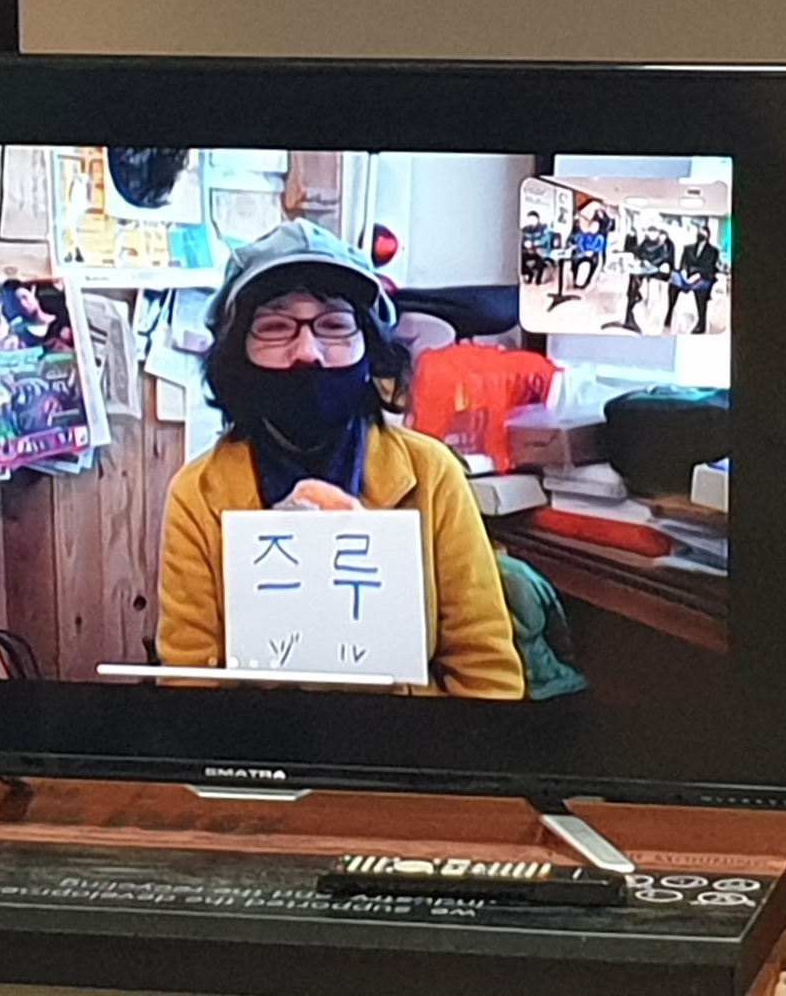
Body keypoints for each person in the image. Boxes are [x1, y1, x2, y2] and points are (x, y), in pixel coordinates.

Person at [155, 218, 526, 699]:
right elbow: (189, 687)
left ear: (369, 348)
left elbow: (488, 679)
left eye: (334, 325)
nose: (307, 352)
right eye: (274, 326)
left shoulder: (433, 475)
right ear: (238, 356)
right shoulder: (197, 496)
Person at [666, 224, 722, 334]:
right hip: (687, 275)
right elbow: (683, 263)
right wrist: (684, 272)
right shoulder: (688, 248)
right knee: (673, 283)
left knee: (701, 291)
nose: (700, 234)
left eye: (703, 233)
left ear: (708, 235)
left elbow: (709, 267)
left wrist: (697, 276)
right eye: (699, 232)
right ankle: (669, 313)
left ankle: (701, 323)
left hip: (702, 277)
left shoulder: (713, 251)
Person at [567, 215, 606, 289]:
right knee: (575, 260)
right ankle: (574, 279)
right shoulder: (583, 235)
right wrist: (584, 251)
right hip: (582, 253)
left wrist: (592, 251)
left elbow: (600, 247)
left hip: (593, 255)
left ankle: (588, 281)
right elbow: (580, 244)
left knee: (595, 263)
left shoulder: (600, 237)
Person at [520, 210, 553, 285]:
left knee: (540, 262)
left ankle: (538, 279)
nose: (531, 221)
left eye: (533, 219)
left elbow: (546, 239)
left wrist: (535, 243)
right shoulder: (525, 229)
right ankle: (529, 273)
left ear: (537, 219)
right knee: (519, 260)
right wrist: (525, 243)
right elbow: (521, 239)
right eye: (530, 219)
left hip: (541, 251)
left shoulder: (543, 228)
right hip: (528, 251)